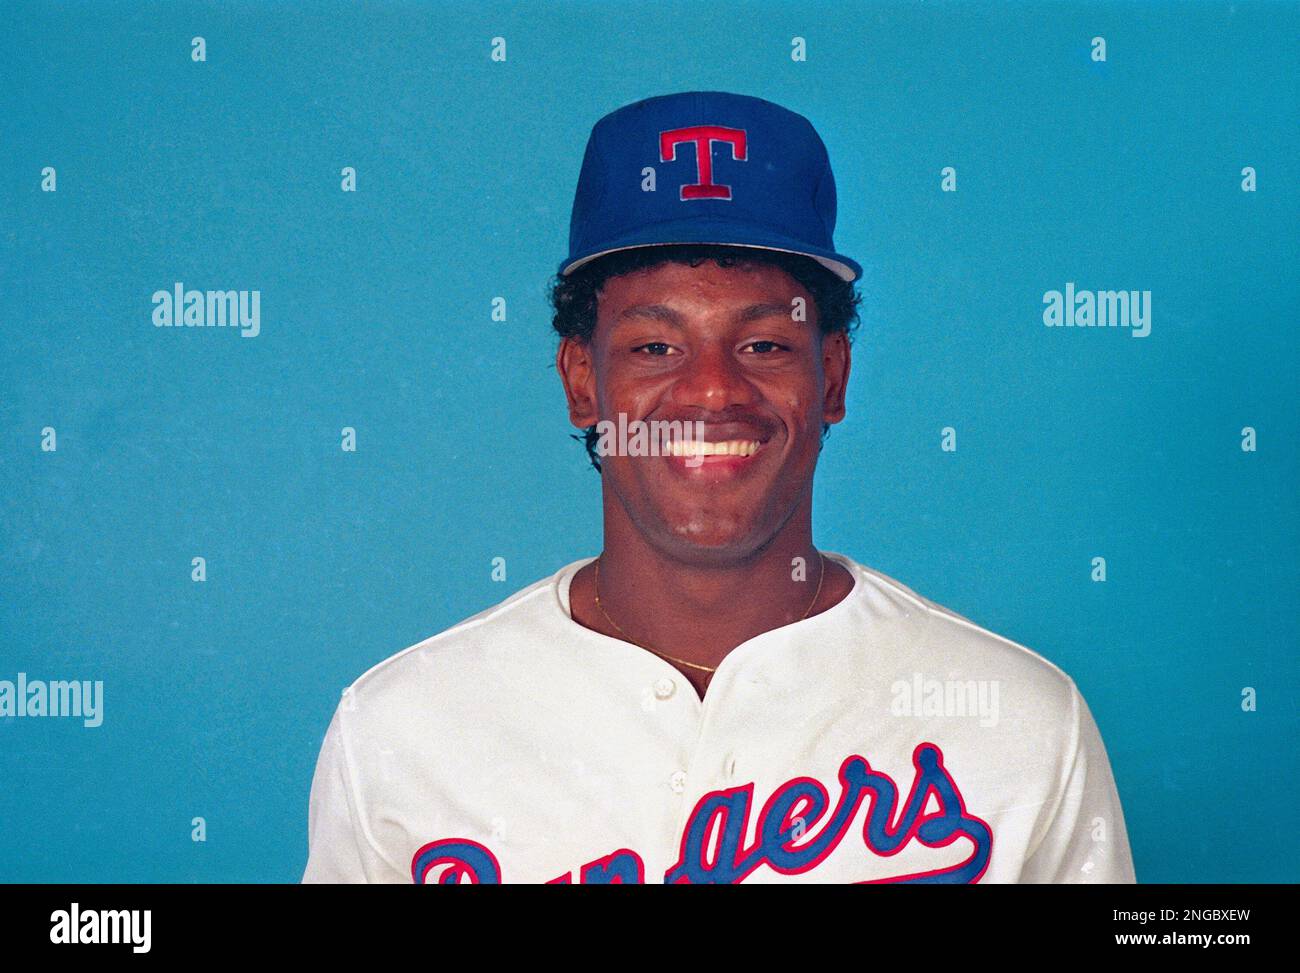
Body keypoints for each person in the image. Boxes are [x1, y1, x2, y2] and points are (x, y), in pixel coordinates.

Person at [302, 90, 1136, 884]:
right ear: (581, 379)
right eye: (654, 348)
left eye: (766, 344)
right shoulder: (401, 730)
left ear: (833, 377)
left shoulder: (1020, 722)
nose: (711, 390)